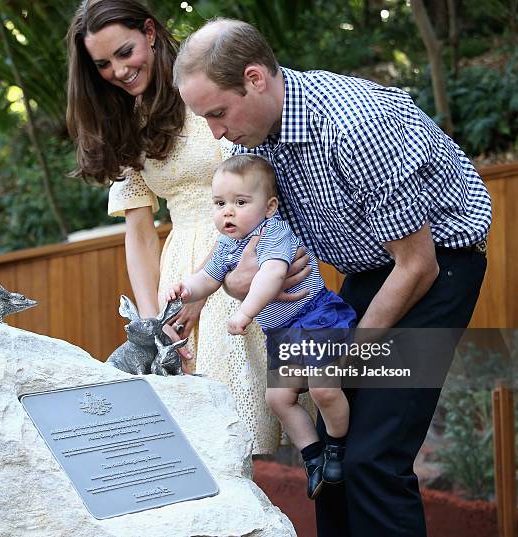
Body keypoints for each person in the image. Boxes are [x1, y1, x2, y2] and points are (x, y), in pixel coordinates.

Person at [173, 18, 491, 537]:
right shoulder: (248, 146)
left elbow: (418, 265)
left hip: (436, 268)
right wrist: (205, 295)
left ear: (255, 79)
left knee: (374, 456)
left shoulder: (354, 125)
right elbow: (239, 263)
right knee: (332, 459)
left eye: (217, 113)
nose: (216, 132)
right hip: (364, 273)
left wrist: (350, 355)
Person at [65, 1, 285, 455]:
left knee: (239, 431)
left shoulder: (207, 88)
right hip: (177, 271)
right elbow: (140, 231)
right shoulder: (124, 120)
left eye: (125, 52)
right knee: (187, 437)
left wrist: (207, 287)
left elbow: (252, 197)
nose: (119, 71)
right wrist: (152, 320)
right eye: (103, 64)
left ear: (149, 32)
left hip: (240, 257)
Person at [167, 153, 357, 499]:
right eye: (220, 203)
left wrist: (245, 314)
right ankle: (313, 457)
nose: (228, 211)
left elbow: (270, 275)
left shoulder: (274, 231)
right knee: (278, 398)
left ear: (268, 207)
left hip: (314, 318)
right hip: (283, 334)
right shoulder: (228, 244)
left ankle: (337, 449)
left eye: (240, 202)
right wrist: (185, 289)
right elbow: (207, 279)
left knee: (323, 389)